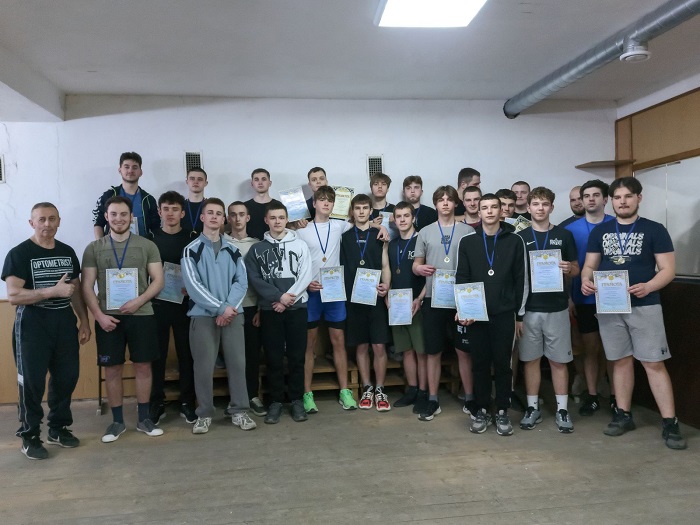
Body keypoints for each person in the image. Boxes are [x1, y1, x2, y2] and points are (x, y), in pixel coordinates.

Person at [581, 176, 686, 450]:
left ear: (639, 198)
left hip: (645, 304)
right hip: (610, 305)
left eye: (628, 196)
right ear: (611, 201)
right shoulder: (601, 231)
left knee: (654, 363)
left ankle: (670, 422)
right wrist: (585, 280)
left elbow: (668, 270)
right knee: (619, 361)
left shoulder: (654, 229)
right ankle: (623, 415)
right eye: (617, 197)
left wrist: (648, 286)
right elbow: (590, 265)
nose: (622, 202)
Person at [2, 203, 91, 459]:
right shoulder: (19, 254)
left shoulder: (67, 252)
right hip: (32, 326)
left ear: (59, 221)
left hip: (64, 323)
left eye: (52, 219)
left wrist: (84, 322)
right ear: (32, 223)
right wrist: (52, 291)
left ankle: (58, 428)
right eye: (41, 219)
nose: (47, 224)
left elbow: (75, 291)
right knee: (32, 383)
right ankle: (29, 435)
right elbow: (14, 295)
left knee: (67, 377)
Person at [295, 187, 390, 413]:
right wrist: (306, 283)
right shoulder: (303, 229)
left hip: (335, 292)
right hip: (312, 291)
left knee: (339, 341)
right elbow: (297, 261)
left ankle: (345, 391)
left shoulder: (340, 226)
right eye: (321, 200)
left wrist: (382, 226)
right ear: (314, 204)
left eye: (330, 200)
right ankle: (307, 393)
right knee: (309, 344)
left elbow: (362, 223)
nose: (326, 204)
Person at [82, 196, 165, 443]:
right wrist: (99, 316)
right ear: (106, 217)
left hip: (142, 316)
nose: (119, 219)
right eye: (114, 214)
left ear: (131, 217)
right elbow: (86, 286)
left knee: (143, 366)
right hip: (108, 319)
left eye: (123, 214)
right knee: (112, 369)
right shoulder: (94, 248)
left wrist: (139, 301)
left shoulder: (147, 245)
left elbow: (158, 280)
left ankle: (144, 419)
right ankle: (117, 422)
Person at [181, 198, 256, 434]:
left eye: (218, 213)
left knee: (238, 364)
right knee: (203, 368)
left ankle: (239, 411)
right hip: (203, 317)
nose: (214, 217)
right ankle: (204, 414)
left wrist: (228, 308)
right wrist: (220, 308)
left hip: (233, 315)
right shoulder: (191, 250)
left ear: (224, 219)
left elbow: (241, 282)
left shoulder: (233, 250)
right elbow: (193, 286)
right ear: (203, 217)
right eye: (210, 213)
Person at [455, 193, 527, 436]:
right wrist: (463, 309)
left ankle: (503, 410)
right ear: (479, 212)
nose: (489, 211)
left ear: (500, 211)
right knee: (480, 364)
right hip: (476, 315)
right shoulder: (467, 242)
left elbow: (521, 279)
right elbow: (462, 277)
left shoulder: (515, 241)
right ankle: (482, 409)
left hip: (505, 313)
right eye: (484, 207)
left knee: (503, 364)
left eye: (493, 207)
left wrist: (519, 315)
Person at [516, 187, 579, 433]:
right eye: (536, 204)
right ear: (528, 207)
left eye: (545, 204)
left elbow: (576, 268)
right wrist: (518, 313)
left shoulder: (564, 235)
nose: (540, 208)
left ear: (551, 207)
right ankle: (533, 408)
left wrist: (569, 269)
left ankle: (562, 409)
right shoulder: (519, 237)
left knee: (559, 360)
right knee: (530, 360)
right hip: (529, 309)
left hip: (557, 307)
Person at [245, 200, 313, 423]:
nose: (277, 222)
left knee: (296, 357)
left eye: (281, 218)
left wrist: (287, 299)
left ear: (287, 220)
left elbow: (306, 274)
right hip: (270, 309)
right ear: (266, 220)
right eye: (273, 218)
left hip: (296, 308)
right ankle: (275, 401)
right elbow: (255, 279)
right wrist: (277, 297)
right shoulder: (257, 249)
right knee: (273, 357)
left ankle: (296, 400)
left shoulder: (300, 245)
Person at [412, 185, 475, 421]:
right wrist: (419, 269)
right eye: (441, 199)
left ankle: (470, 399)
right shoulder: (425, 232)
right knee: (433, 351)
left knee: (464, 351)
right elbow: (416, 265)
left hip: (461, 299)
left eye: (449, 199)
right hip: (433, 298)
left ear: (456, 203)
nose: (446, 203)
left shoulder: (468, 231)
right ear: (436, 204)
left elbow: (475, 264)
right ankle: (432, 399)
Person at [565, 180, 615, 417]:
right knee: (590, 349)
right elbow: (568, 267)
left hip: (614, 297)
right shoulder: (570, 230)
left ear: (605, 199)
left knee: (613, 349)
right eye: (586, 196)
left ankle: (615, 396)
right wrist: (569, 298)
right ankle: (592, 395)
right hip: (583, 297)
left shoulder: (617, 224)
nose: (591, 199)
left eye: (596, 195)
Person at [148, 191, 197, 426]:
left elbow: (200, 269)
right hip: (157, 304)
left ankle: (187, 402)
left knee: (187, 355)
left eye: (175, 209)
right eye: (166, 209)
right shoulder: (150, 239)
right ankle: (156, 402)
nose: (170, 213)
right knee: (156, 356)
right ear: (159, 211)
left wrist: (194, 289)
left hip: (185, 305)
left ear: (182, 213)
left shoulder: (192, 238)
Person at [341, 194, 392, 412]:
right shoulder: (344, 237)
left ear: (371, 211)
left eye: (365, 208)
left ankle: (380, 388)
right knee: (361, 346)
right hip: (354, 300)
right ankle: (367, 388)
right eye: (357, 208)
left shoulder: (379, 235)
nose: (361, 211)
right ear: (352, 211)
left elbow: (385, 264)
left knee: (379, 345)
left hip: (376, 298)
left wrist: (386, 286)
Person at [225, 201, 265, 417]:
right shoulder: (220, 242)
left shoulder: (257, 245)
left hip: (252, 307)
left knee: (252, 355)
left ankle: (252, 395)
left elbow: (263, 278)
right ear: (228, 218)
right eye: (233, 215)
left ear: (248, 218)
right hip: (230, 308)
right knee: (233, 357)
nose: (238, 218)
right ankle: (236, 399)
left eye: (241, 214)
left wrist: (260, 308)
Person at [388, 202, 428, 411]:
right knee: (406, 350)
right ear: (394, 220)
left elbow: (431, 275)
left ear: (413, 218)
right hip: (397, 304)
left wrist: (420, 298)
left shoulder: (422, 241)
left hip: (416, 304)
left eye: (406, 216)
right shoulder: (392, 244)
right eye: (399, 216)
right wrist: (387, 294)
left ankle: (423, 391)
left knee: (421, 351)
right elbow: (388, 272)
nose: (402, 220)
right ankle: (412, 389)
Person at [92, 152, 160, 239]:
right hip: (113, 245)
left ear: (141, 172)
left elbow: (156, 228)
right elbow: (98, 223)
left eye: (135, 167)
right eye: (126, 167)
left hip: (141, 246)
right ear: (120, 170)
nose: (130, 171)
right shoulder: (109, 196)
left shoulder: (148, 200)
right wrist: (100, 244)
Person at [244, 168, 273, 241]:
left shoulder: (278, 206)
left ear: (270, 183)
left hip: (273, 245)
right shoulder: (244, 207)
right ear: (252, 184)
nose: (260, 183)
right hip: (249, 245)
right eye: (256, 180)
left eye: (263, 179)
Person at [181, 167, 209, 236]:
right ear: (187, 182)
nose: (195, 182)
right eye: (192, 179)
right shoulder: (179, 206)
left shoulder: (212, 206)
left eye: (200, 179)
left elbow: (220, 232)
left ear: (206, 183)